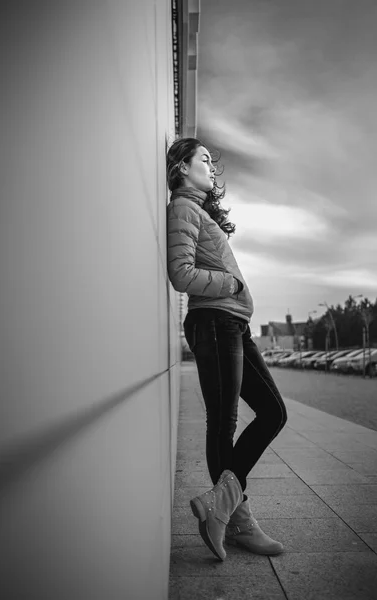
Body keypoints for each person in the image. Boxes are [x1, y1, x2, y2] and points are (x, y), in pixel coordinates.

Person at [166, 137, 287, 561]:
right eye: (203, 159)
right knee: (224, 421)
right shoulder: (182, 207)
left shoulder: (198, 211)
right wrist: (231, 285)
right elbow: (181, 274)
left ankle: (221, 507)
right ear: (181, 167)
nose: (210, 166)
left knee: (273, 412)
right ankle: (238, 523)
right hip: (215, 321)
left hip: (232, 324)